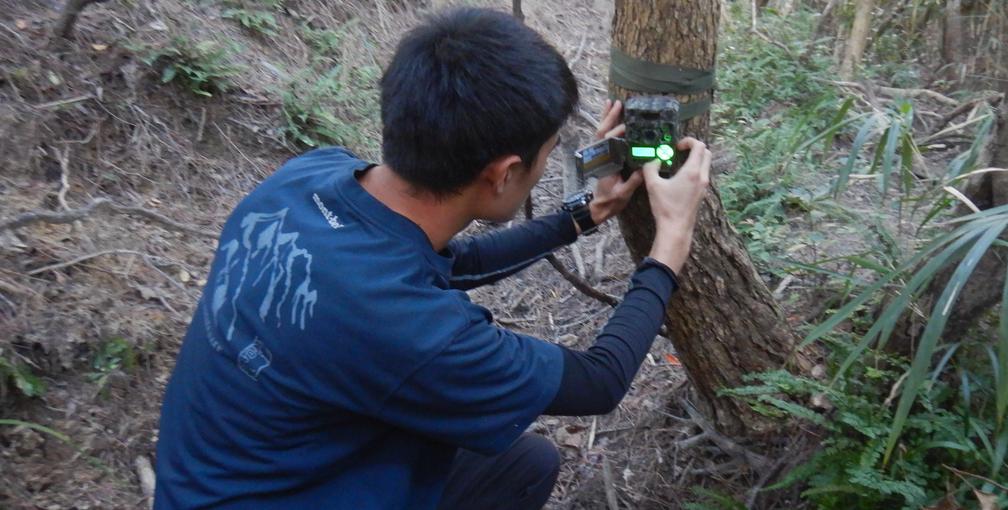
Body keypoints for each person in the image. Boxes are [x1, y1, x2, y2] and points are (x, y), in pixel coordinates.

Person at [153, 7, 711, 510]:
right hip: (275, 488)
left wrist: (579, 217)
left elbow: (448, 263)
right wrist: (669, 245)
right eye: (544, 156)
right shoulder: (412, 333)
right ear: (503, 174)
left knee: (523, 466)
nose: (545, 165)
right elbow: (598, 382)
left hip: (222, 472)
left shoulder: (307, 177)